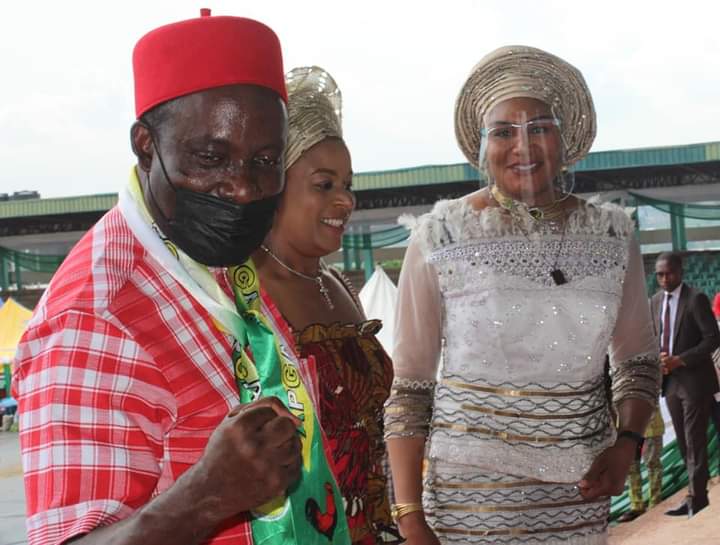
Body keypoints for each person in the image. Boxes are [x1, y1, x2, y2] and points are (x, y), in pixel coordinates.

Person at [12, 11, 349, 545]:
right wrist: (204, 498)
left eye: (265, 160)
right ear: (146, 144)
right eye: (211, 158)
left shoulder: (217, 256)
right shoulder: (93, 317)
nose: (241, 189)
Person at [384, 45, 661, 545]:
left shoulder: (612, 234)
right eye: (503, 131)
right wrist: (409, 516)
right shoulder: (441, 235)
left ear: (565, 138)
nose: (523, 145)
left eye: (539, 127)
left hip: (579, 492)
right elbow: (411, 386)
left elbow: (638, 360)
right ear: (481, 147)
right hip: (470, 496)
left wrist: (627, 443)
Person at [253, 66, 400, 545]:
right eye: (324, 185)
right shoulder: (243, 291)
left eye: (347, 183)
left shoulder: (337, 283)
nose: (345, 199)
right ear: (275, 185)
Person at [651, 252, 720, 517]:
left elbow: (712, 338)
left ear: (680, 272)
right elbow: (652, 337)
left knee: (694, 439)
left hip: (695, 381)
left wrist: (680, 360)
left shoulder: (696, 299)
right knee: (683, 440)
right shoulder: (654, 301)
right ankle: (696, 493)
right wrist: (658, 357)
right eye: (659, 274)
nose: (664, 278)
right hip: (669, 383)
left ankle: (696, 497)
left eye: (668, 273)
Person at [615, 407, 664, 522]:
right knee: (630, 468)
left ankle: (655, 501)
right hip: (627, 431)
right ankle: (636, 506)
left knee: (653, 463)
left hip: (651, 426)